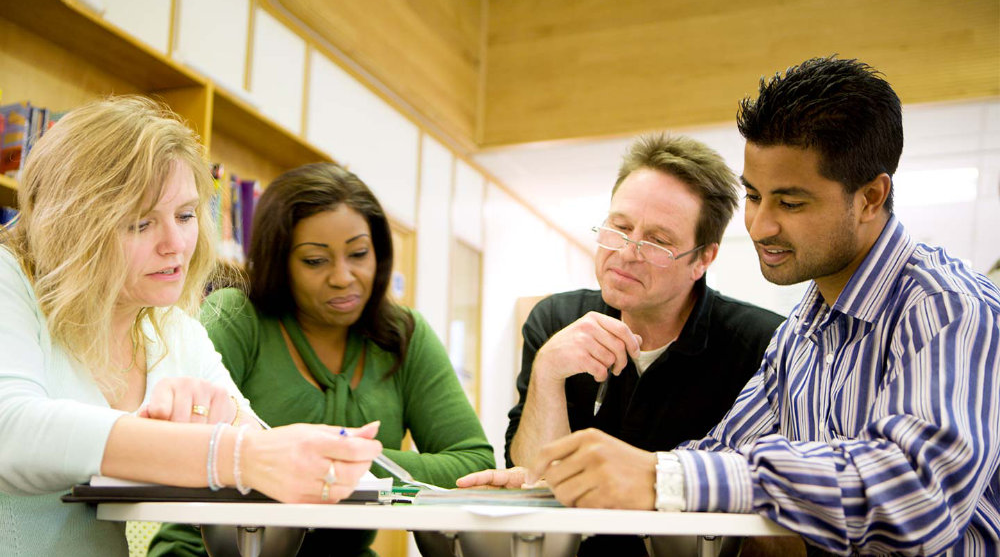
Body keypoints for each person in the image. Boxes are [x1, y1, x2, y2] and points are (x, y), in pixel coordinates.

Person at [507, 57, 1000, 556]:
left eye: (790, 203)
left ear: (871, 196)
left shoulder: (947, 306)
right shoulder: (802, 331)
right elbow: (718, 453)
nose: (760, 227)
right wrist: (557, 489)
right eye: (753, 195)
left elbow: (919, 497)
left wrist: (664, 477)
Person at [0, 96, 383, 557]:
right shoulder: (9, 280)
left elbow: (254, 442)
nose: (176, 244)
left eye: (185, 215)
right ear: (73, 224)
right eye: (140, 223)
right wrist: (231, 455)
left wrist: (226, 426)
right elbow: (12, 432)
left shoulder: (172, 328)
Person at [151, 162, 495, 556]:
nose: (343, 277)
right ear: (279, 261)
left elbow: (473, 468)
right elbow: (183, 448)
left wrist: (337, 461)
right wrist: (366, 466)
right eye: (316, 261)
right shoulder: (236, 316)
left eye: (359, 254)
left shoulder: (404, 335)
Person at [465, 134, 785, 556]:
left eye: (658, 241)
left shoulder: (763, 345)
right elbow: (533, 477)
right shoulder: (556, 321)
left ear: (703, 259)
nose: (628, 253)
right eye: (619, 227)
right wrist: (547, 372)